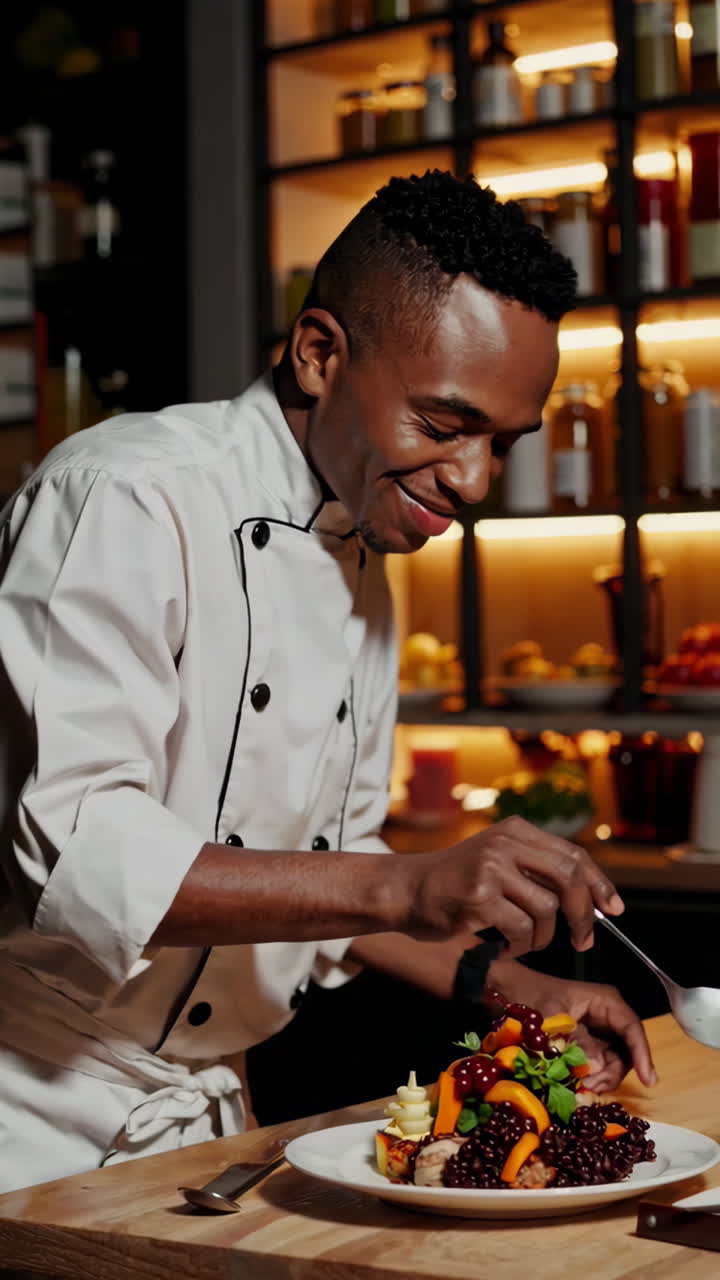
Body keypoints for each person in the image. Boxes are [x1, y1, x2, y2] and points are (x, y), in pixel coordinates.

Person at [0, 170, 655, 1193]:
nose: (476, 481)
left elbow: (332, 872)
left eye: (503, 443)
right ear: (320, 353)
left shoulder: (368, 561)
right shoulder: (126, 495)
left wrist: (509, 984)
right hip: (25, 1112)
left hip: (203, 1119)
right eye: (445, 425)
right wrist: (409, 879)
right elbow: (80, 855)